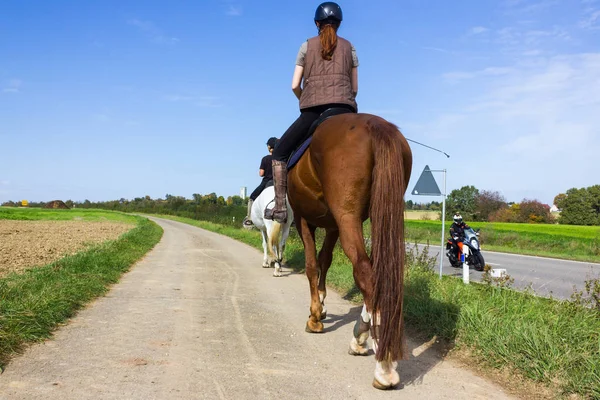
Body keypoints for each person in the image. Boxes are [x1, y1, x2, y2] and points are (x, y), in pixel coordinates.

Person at [264, 1, 359, 223]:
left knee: (278, 154)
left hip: (314, 112)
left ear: (317, 23)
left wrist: (305, 99)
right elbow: (354, 89)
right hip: (345, 110)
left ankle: (280, 208)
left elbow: (295, 85)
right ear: (339, 24)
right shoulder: (350, 47)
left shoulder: (306, 46)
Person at [243, 137, 279, 227]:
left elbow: (261, 173)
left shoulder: (265, 159)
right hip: (278, 182)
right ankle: (293, 219)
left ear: (269, 147)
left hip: (267, 182)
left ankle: (249, 218)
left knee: (252, 197)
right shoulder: (280, 158)